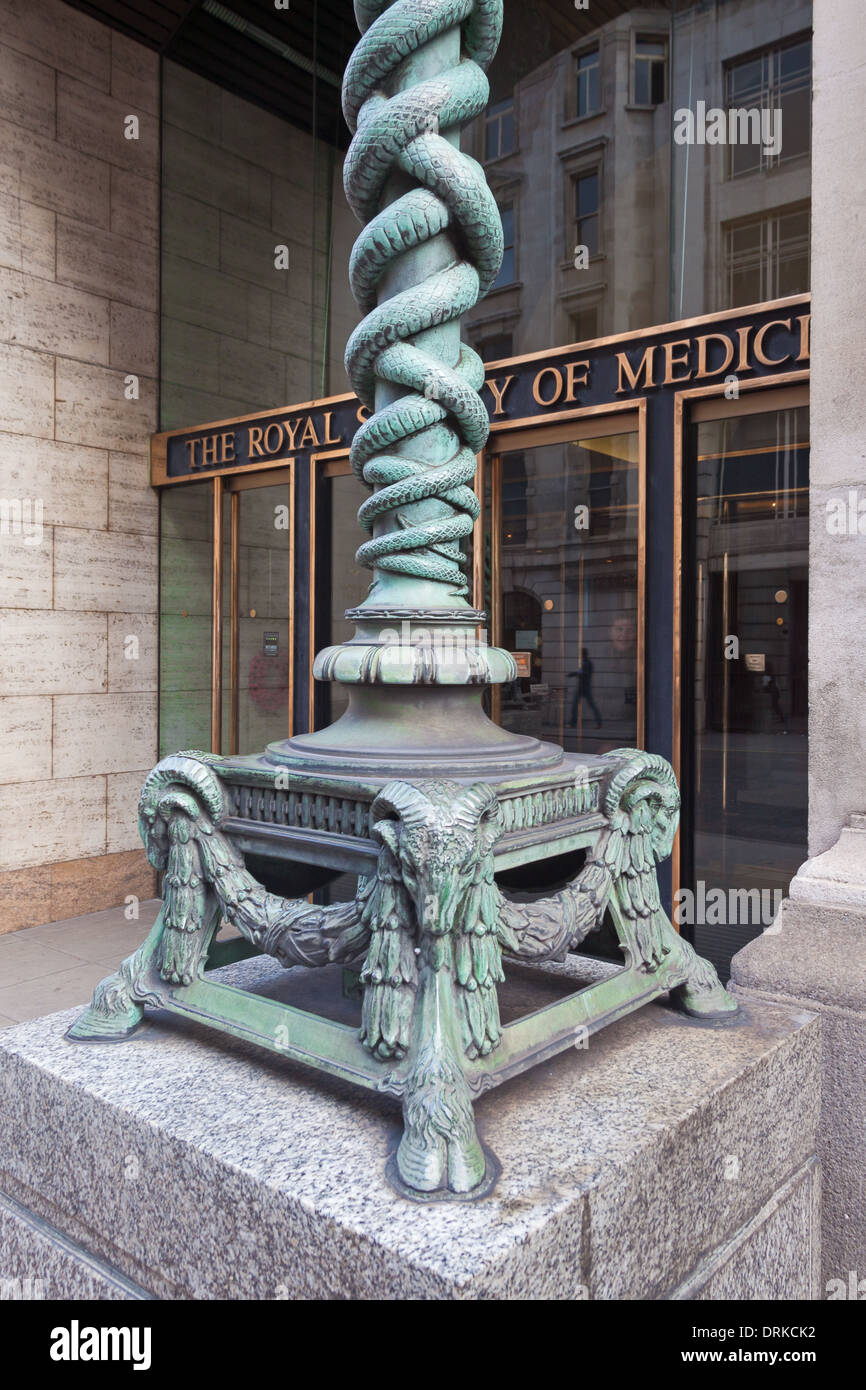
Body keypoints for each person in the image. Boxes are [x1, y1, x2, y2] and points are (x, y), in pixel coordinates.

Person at [569, 648, 602, 729]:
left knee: (578, 706)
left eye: (581, 654)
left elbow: (584, 673)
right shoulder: (585, 663)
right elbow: (581, 672)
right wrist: (575, 674)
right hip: (583, 687)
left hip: (584, 687)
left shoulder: (586, 663)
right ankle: (573, 723)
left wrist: (574, 674)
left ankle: (573, 723)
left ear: (583, 654)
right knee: (578, 706)